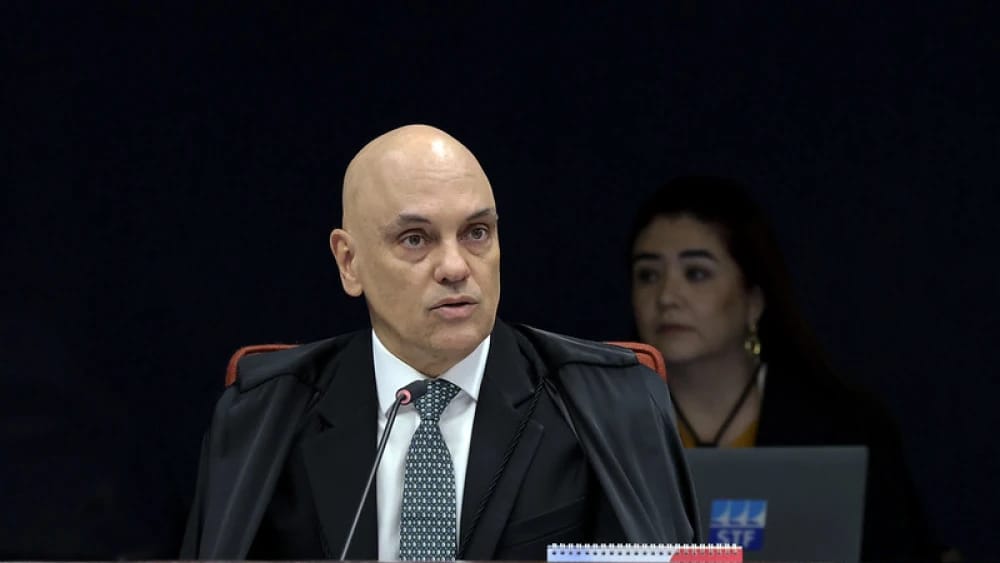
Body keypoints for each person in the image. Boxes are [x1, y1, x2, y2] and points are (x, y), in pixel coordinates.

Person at [181, 125, 698, 560]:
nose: (455, 267)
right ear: (349, 262)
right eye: (415, 239)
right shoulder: (265, 414)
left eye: (476, 233)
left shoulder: (611, 402)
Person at [628, 175, 943, 562]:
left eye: (696, 273)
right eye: (648, 275)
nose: (666, 296)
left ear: (754, 300)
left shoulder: (847, 430)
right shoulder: (595, 429)